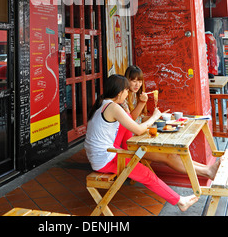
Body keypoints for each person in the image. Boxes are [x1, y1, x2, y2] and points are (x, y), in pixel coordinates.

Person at [84, 74, 199, 212]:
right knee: (147, 175)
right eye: (126, 90)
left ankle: (131, 150)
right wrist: (155, 117)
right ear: (120, 92)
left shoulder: (102, 104)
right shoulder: (113, 107)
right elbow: (138, 130)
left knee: (127, 125)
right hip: (105, 159)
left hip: (103, 154)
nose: (127, 93)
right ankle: (180, 201)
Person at [121, 65, 220, 180]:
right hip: (129, 143)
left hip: (139, 136)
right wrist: (142, 105)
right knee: (169, 156)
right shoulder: (122, 98)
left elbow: (138, 118)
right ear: (126, 81)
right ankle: (208, 172)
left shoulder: (134, 95)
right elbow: (130, 120)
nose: (137, 84)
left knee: (173, 154)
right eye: (133, 81)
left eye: (139, 81)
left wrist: (156, 118)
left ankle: (208, 169)